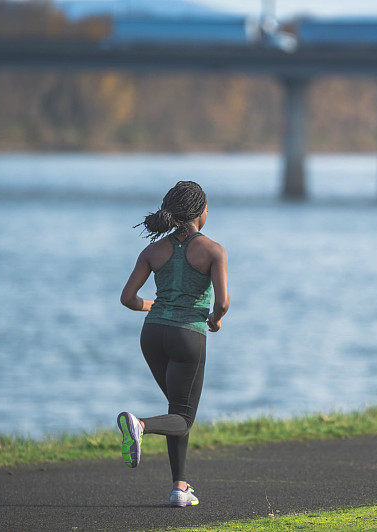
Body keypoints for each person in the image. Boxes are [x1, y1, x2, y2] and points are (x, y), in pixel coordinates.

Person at [117, 181, 229, 508]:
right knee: (182, 416)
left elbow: (128, 299)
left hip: (152, 335)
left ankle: (180, 488)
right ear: (200, 214)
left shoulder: (152, 251)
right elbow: (222, 303)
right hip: (187, 335)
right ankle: (139, 425)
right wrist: (214, 319)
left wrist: (156, 306)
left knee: (178, 411)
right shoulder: (213, 250)